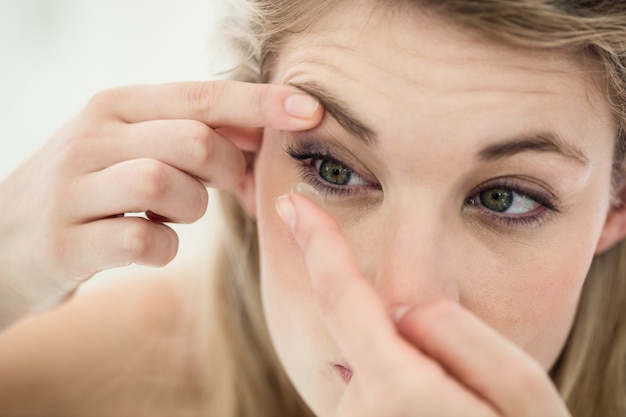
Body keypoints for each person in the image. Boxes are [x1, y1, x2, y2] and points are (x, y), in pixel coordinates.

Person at [0, 0, 625, 416]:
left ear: (615, 210)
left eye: (505, 198)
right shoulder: (121, 377)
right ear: (243, 157)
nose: (397, 301)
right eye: (335, 169)